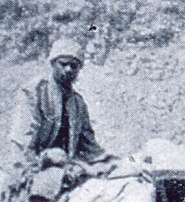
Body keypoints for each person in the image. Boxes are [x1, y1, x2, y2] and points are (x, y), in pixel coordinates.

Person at [7, 37, 110, 170]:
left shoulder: (78, 103)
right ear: (53, 64)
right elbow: (23, 139)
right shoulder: (34, 92)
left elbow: (89, 145)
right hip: (33, 164)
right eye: (63, 64)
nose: (68, 69)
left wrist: (107, 159)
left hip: (65, 165)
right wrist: (33, 166)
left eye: (74, 66)